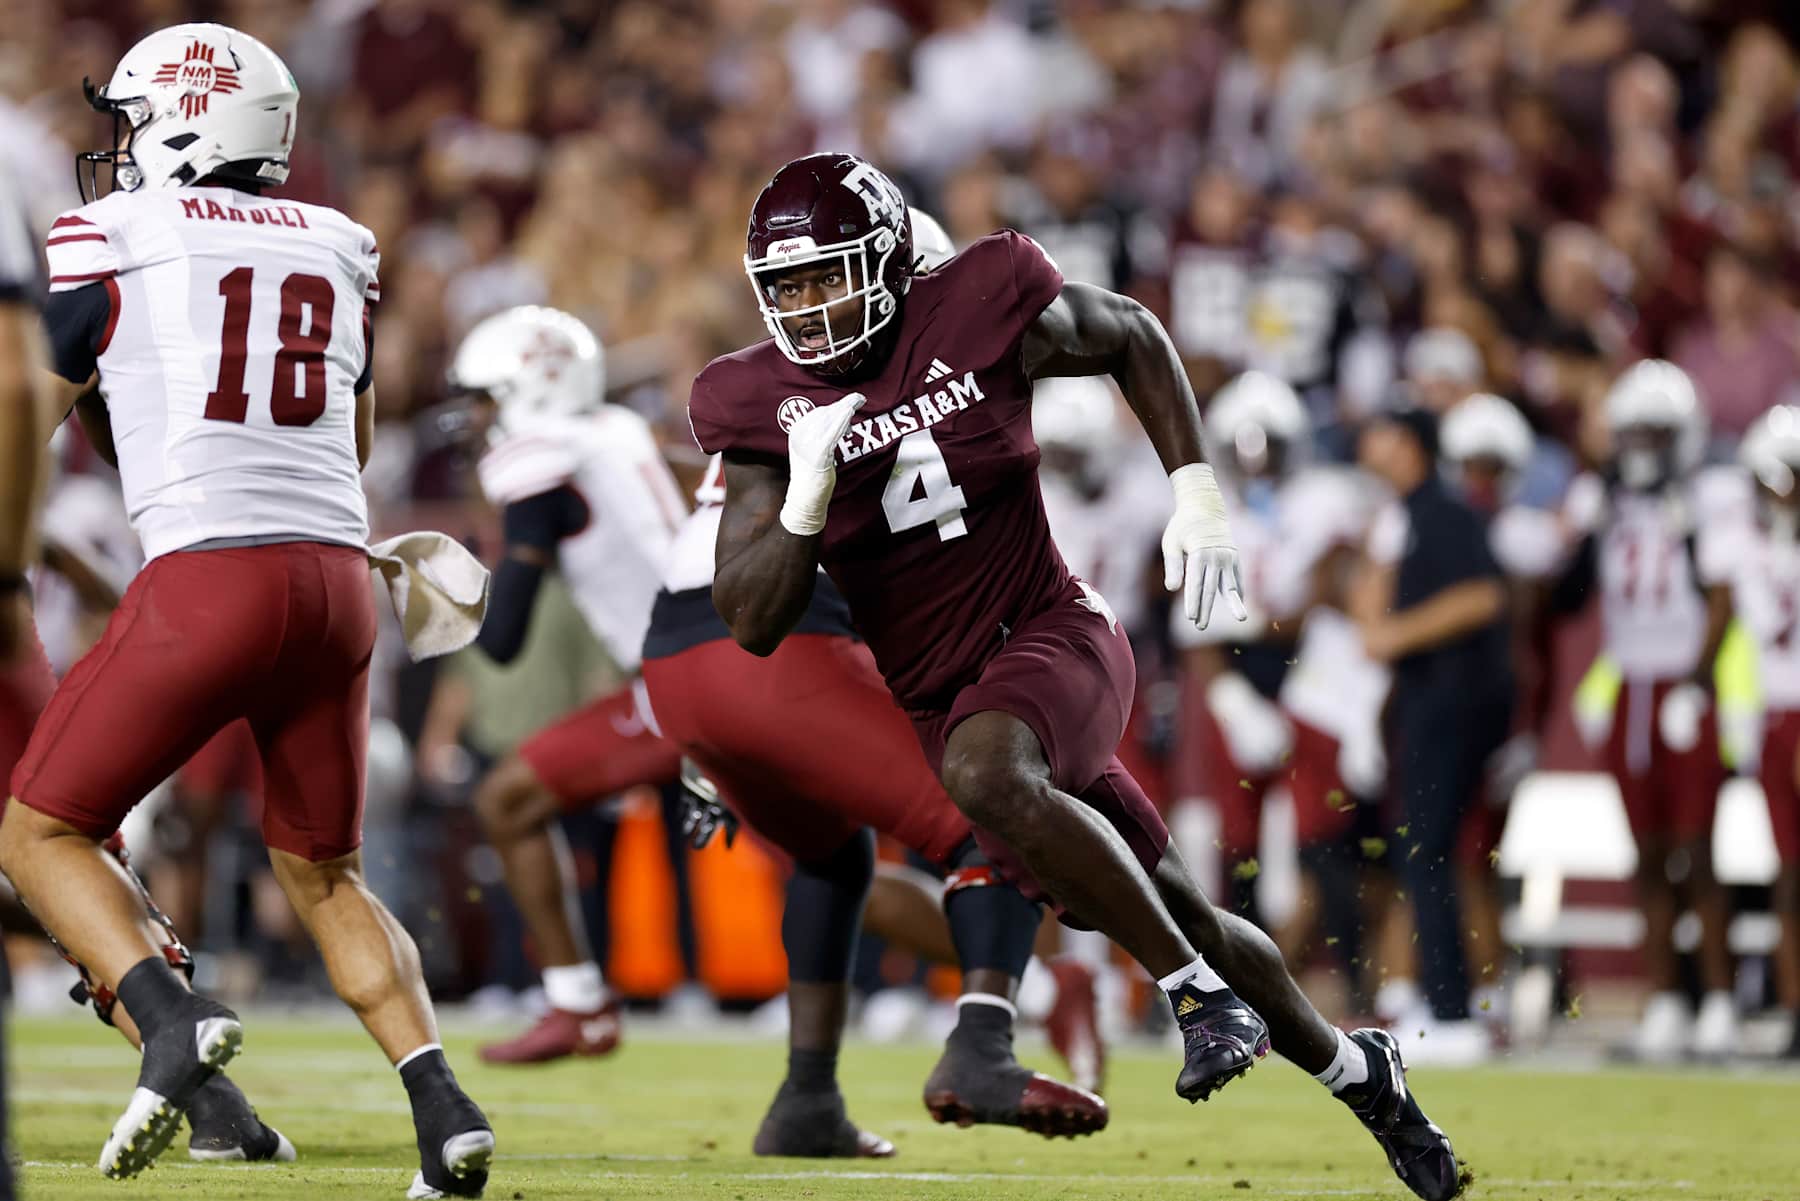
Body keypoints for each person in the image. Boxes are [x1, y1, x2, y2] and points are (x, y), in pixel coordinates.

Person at [692, 152, 1462, 1201]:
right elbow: (751, 616)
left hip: (1054, 632)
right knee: (1184, 907)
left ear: (887, 258)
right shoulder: (754, 403)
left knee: (986, 775)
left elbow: (1132, 334)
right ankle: (1361, 1072)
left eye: (830, 274)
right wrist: (805, 494)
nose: (810, 306)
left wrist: (1195, 491)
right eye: (787, 286)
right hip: (945, 697)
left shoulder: (972, 302)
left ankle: (1192, 998)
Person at [0, 25, 491, 1196]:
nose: (117, 152)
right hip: (335, 583)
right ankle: (445, 1109)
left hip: (208, 577)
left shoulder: (114, 233)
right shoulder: (337, 240)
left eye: (131, 124)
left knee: (38, 831)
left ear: (180, 120)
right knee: (327, 873)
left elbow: (43, 399)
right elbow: (354, 437)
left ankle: (170, 1016)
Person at [447, 304, 688, 1065]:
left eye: (485, 397)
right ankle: (577, 1003)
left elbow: (505, 638)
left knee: (504, 798)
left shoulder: (541, 459)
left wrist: (436, 600)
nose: (479, 418)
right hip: (692, 668)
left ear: (526, 389)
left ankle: (577, 1002)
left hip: (686, 685)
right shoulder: (612, 428)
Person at [1554, 361, 1736, 1062]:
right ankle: (1666, 997)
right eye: (1631, 434)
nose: (1640, 450)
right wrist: (1582, 530)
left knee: (1697, 851)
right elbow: (1566, 595)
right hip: (1631, 684)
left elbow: (1719, 590)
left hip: (1684, 684)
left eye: (1654, 434)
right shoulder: (1606, 499)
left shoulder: (1709, 495)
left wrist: (1698, 678)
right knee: (1649, 854)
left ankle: (1716, 997)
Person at [1356, 406, 1513, 1065]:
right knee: (1420, 847)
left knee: (1431, 849)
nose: (1370, 443)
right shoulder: (1403, 518)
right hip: (1426, 701)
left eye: (1382, 430)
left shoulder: (1443, 510)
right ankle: (1438, 996)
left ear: (1409, 442)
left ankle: (1452, 1007)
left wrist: (1398, 633)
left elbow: (1483, 596)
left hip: (1451, 700)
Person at [1707, 406, 1800, 1058]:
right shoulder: (1747, 544)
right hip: (1773, 717)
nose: (1772, 494)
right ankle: (1795, 1006)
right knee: (1789, 873)